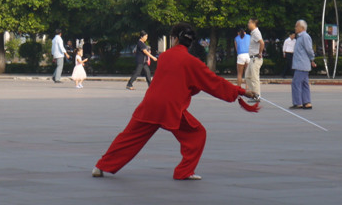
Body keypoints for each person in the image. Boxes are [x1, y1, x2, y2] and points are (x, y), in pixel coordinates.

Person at [93, 22, 257, 181]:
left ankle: (100, 167)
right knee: (196, 134)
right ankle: (183, 172)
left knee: (129, 138)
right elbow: (213, 83)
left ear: (175, 39)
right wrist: (242, 92)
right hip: (171, 109)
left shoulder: (164, 57)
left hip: (150, 105)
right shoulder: (192, 62)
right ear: (190, 42)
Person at [291, 19, 316, 110]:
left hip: (301, 65)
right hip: (302, 64)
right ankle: (307, 102)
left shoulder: (305, 36)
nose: (295, 28)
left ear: (302, 27)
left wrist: (312, 58)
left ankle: (298, 103)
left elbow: (309, 49)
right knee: (305, 84)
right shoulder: (300, 37)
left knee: (296, 83)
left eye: (296, 26)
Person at [245, 18, 264, 97]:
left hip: (255, 58)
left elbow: (262, 43)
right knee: (247, 76)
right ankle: (253, 94)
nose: (248, 24)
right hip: (252, 58)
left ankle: (257, 95)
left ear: (253, 23)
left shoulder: (256, 32)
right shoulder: (253, 33)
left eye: (249, 23)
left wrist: (260, 52)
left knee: (255, 78)